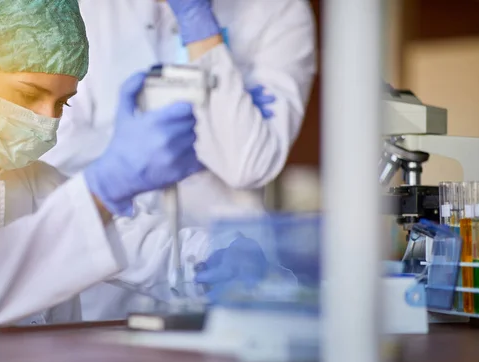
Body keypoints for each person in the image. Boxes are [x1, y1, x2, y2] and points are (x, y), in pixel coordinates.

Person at [0, 0, 260, 333]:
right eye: (28, 94)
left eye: (63, 102)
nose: (47, 119)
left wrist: (216, 254)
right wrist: (102, 189)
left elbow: (147, 245)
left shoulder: (35, 182)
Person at [40, 0, 317, 319]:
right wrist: (214, 123)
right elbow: (54, 154)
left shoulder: (279, 10)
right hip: (102, 285)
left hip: (224, 270)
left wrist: (199, 26)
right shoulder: (87, 7)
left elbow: (248, 164)